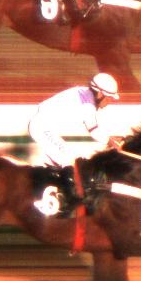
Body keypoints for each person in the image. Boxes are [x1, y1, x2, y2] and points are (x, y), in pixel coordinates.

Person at [27, 73, 125, 214]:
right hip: (42, 128)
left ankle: (52, 194)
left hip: (43, 126)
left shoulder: (84, 93)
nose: (109, 102)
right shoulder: (88, 105)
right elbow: (93, 130)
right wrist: (111, 141)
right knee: (69, 160)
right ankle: (62, 202)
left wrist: (109, 139)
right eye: (108, 98)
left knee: (67, 161)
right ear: (99, 94)